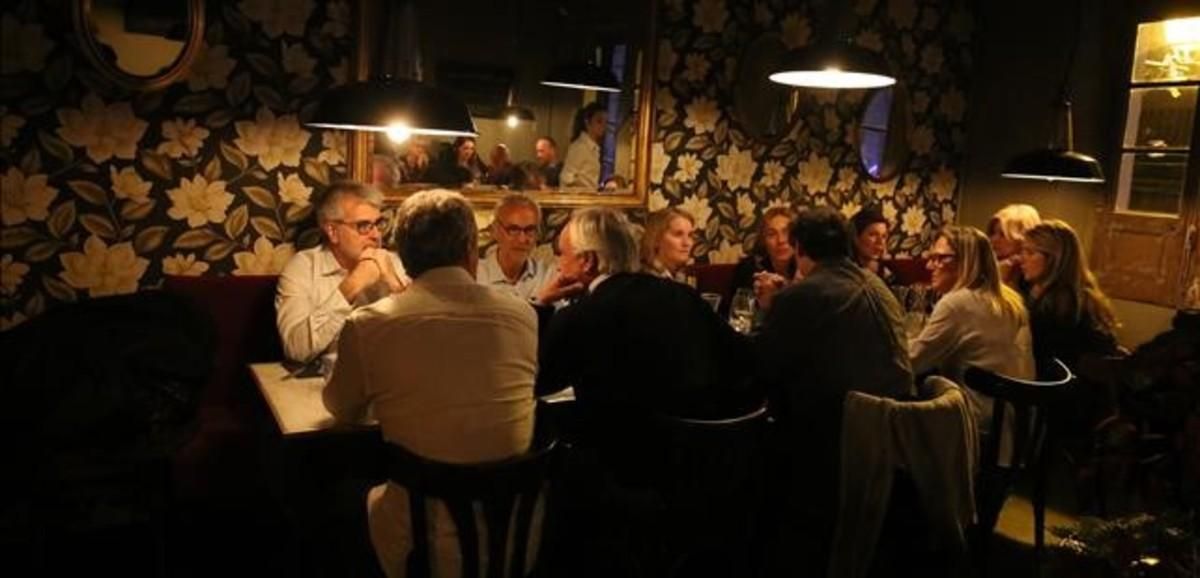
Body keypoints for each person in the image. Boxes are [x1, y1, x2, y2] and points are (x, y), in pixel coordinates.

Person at [323, 189, 538, 578]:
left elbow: (341, 409)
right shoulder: (522, 315)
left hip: (420, 543)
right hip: (515, 533)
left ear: (403, 255)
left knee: (332, 493)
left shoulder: (371, 323)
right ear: (472, 250)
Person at [755, 207, 912, 576]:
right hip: (897, 429)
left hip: (838, 440)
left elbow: (765, 367)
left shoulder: (805, 294)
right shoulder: (874, 283)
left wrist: (771, 310)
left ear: (798, 248)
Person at [537, 207, 753, 421]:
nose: (559, 265)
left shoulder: (578, 317)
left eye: (562, 254)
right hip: (704, 445)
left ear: (588, 261)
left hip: (618, 449)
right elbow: (741, 356)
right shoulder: (681, 294)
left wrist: (541, 303)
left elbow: (536, 383)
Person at [909, 225, 1035, 428]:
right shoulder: (1010, 299)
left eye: (941, 258)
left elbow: (912, 362)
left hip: (975, 423)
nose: (930, 266)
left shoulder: (958, 302)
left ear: (968, 262)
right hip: (1014, 423)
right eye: (931, 257)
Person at [275, 182, 407, 363]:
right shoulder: (303, 268)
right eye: (363, 226)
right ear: (332, 231)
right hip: (326, 382)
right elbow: (296, 349)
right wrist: (352, 285)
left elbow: (424, 341)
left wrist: (393, 283)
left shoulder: (392, 262)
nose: (376, 236)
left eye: (378, 224)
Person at [1019, 219, 1120, 370]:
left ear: (1055, 259)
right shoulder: (1035, 290)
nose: (1021, 259)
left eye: (1030, 252)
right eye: (1022, 251)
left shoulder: (1064, 304)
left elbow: (1033, 353)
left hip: (1067, 386)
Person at [476, 193, 555, 301]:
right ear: (495, 230)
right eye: (513, 230)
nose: (522, 239)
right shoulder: (476, 277)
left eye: (529, 230)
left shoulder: (546, 277)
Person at [732, 206, 798, 297]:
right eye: (772, 234)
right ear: (763, 241)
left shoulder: (807, 265)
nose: (781, 240)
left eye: (786, 232)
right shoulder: (750, 268)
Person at [987, 203, 1041, 289]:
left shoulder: (1035, 278)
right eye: (992, 233)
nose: (993, 239)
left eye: (1003, 234)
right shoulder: (986, 268)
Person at [639, 207, 695, 283]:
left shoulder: (678, 275)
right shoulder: (646, 280)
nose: (687, 243)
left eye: (690, 235)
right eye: (678, 234)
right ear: (656, 239)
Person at [559, 102, 606, 189]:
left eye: (605, 122)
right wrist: (585, 186)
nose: (603, 126)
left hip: (588, 198)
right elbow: (566, 177)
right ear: (587, 122)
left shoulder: (594, 148)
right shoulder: (579, 147)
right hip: (578, 198)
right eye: (599, 121)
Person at [849, 207, 893, 281]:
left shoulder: (888, 273)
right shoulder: (846, 272)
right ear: (856, 237)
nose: (880, 242)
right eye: (873, 235)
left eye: (883, 236)